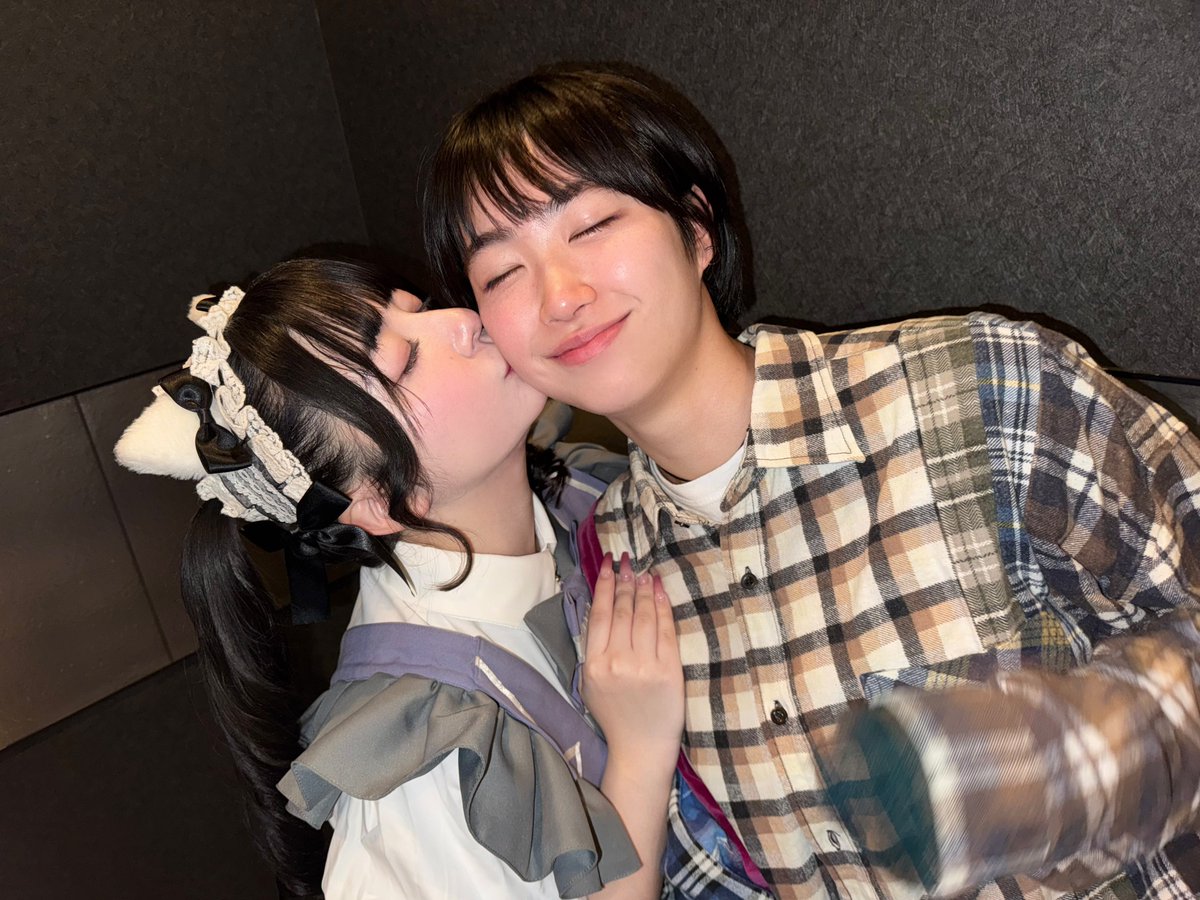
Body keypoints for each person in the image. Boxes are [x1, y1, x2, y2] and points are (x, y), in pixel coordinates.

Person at [422, 64, 1200, 899]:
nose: (560, 297)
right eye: (502, 274)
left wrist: (1010, 772)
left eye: (593, 225)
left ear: (696, 229)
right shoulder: (611, 571)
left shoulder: (974, 389)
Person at [113, 257, 684, 899]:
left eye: (419, 309)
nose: (464, 319)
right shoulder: (422, 758)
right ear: (379, 501)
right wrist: (640, 750)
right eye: (405, 360)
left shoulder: (573, 492)